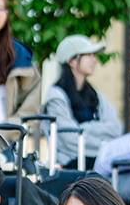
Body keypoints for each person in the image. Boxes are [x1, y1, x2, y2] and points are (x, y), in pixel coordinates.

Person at [41, 35, 123, 169]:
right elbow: (68, 139)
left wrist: (84, 129)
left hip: (98, 165)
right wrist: (104, 145)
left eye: (94, 55)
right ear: (71, 61)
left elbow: (116, 128)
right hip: (70, 168)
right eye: (88, 55)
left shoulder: (96, 95)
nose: (94, 60)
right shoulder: (56, 95)